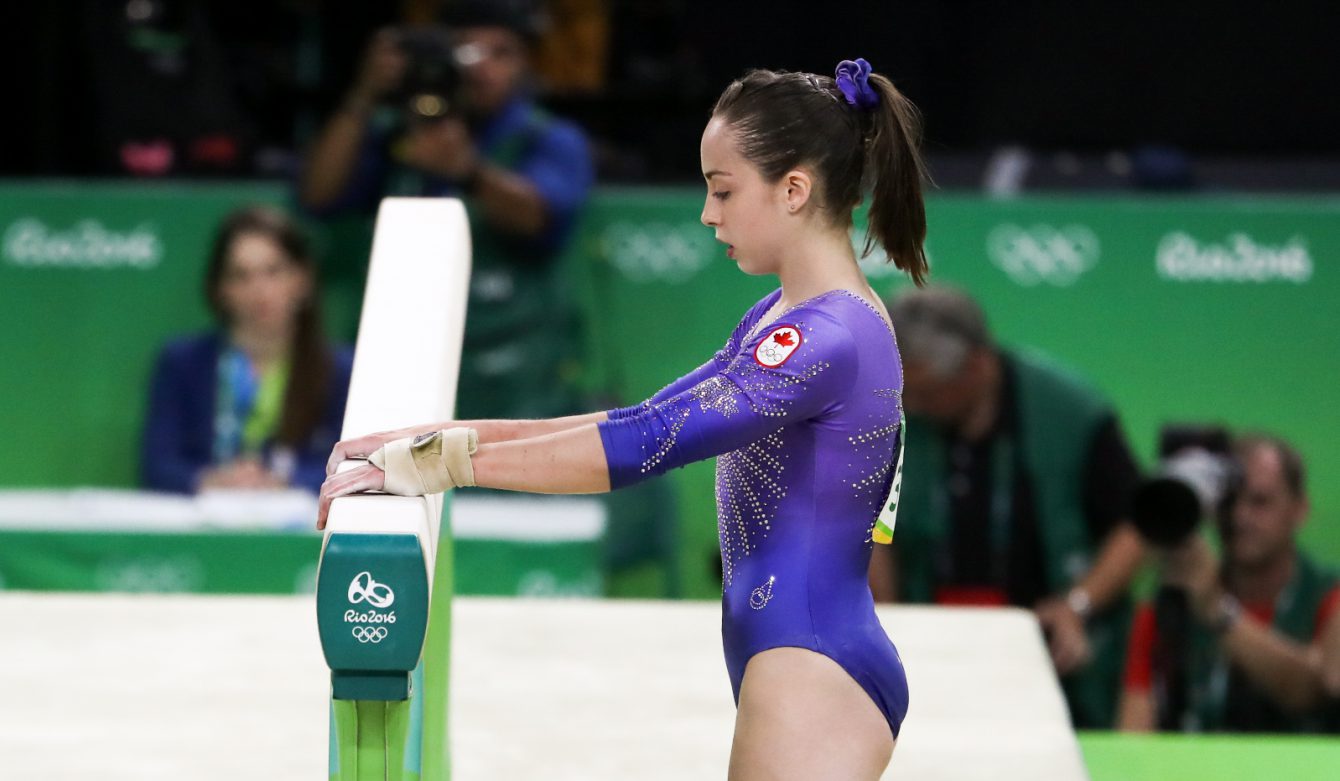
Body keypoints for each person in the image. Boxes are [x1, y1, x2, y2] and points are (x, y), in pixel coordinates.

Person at [318, 58, 926, 778]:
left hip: (815, 663)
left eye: (722, 190)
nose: (708, 214)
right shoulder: (782, 317)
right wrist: (434, 444)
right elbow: (643, 416)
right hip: (795, 648)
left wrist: (446, 463)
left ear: (794, 189)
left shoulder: (827, 339)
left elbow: (644, 446)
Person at [297, 0, 594, 420]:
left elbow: (540, 218)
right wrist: (364, 94)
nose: (481, 67)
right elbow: (317, 197)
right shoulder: (397, 133)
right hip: (400, 368)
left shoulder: (547, 138)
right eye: (466, 52)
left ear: (526, 63)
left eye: (500, 52)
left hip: (515, 381)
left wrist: (467, 171)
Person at [870, 286, 1146, 728]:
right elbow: (870, 521)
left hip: (1050, 656)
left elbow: (1136, 523)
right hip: (932, 657)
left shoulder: (1069, 410)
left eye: (926, 392)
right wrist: (886, 617)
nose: (913, 406)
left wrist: (1078, 604)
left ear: (977, 364)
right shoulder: (892, 411)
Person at [1118, 434, 1340, 733]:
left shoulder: (1328, 595)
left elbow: (1314, 690)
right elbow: (1134, 738)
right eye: (1229, 501)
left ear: (1300, 509)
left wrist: (1217, 610)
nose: (1240, 516)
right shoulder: (1168, 604)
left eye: (1260, 502)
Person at [141, 206, 353, 494]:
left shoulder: (340, 370)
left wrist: (283, 483)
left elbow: (352, 468)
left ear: (302, 280)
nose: (259, 289)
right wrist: (211, 481)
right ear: (220, 289)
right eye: (241, 276)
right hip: (204, 525)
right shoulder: (183, 362)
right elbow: (158, 466)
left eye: (273, 271)